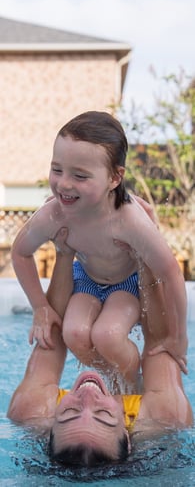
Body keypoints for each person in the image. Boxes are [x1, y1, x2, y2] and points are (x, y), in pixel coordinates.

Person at [11, 111, 187, 382]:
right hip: (86, 279)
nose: (64, 184)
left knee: (108, 335)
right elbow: (20, 253)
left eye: (80, 176)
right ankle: (114, 378)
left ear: (115, 178)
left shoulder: (128, 219)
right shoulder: (54, 214)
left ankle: (131, 381)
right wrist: (40, 308)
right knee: (74, 333)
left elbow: (171, 273)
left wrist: (178, 337)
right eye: (57, 170)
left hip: (126, 283)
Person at [7, 248, 193, 468]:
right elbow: (158, 339)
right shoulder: (167, 418)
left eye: (69, 411)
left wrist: (64, 254)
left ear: (48, 433)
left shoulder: (31, 411)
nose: (87, 395)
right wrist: (144, 260)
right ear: (128, 438)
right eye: (103, 413)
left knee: (76, 333)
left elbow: (52, 333)